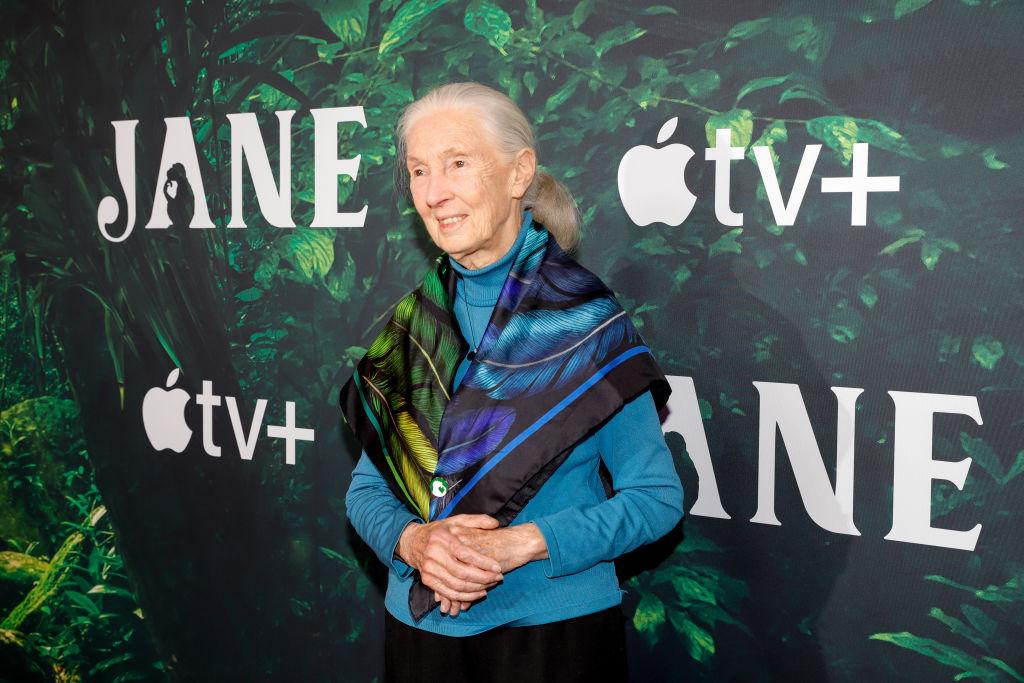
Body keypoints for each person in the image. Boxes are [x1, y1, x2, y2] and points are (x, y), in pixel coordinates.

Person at [340, 81, 685, 683]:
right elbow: (364, 494)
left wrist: (521, 543)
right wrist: (415, 545)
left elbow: (655, 501)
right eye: (419, 171)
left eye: (458, 164)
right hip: (421, 639)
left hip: (555, 642)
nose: (434, 192)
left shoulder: (586, 328)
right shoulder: (413, 330)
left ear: (518, 171)